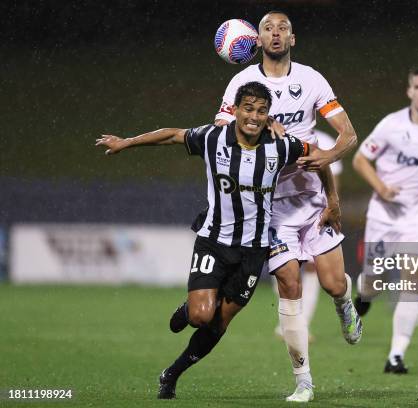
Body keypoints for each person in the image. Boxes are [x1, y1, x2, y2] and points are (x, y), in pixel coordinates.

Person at [96, 82, 334, 399]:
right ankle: (189, 308)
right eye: (248, 108)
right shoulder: (213, 137)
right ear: (235, 110)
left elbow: (318, 156)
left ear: (268, 116)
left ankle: (171, 374)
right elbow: (171, 134)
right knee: (200, 316)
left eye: (261, 111)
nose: (254, 116)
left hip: (254, 250)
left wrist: (332, 200)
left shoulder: (281, 146)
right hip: (214, 241)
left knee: (218, 322)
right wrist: (127, 142)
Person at [211, 11, 361, 402]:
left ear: (292, 38)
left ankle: (345, 302)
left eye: (282, 29)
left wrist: (328, 160)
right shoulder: (242, 82)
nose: (275, 34)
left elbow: (348, 133)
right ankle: (304, 381)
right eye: (267, 29)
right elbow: (221, 130)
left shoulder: (311, 80)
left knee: (332, 284)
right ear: (256, 39)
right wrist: (264, 125)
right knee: (289, 284)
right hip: (269, 207)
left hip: (311, 202)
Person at [352, 67, 418, 374]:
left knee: (412, 284)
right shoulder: (392, 125)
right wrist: (382, 188)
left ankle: (396, 355)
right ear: (410, 92)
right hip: (384, 215)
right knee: (373, 281)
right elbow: (361, 159)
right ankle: (364, 297)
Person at [272, 128, 344, 342]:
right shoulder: (273, 138)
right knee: (285, 271)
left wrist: (331, 205)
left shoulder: (324, 141)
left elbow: (334, 178)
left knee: (316, 271)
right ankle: (289, 320)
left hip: (314, 214)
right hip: (281, 214)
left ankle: (301, 323)